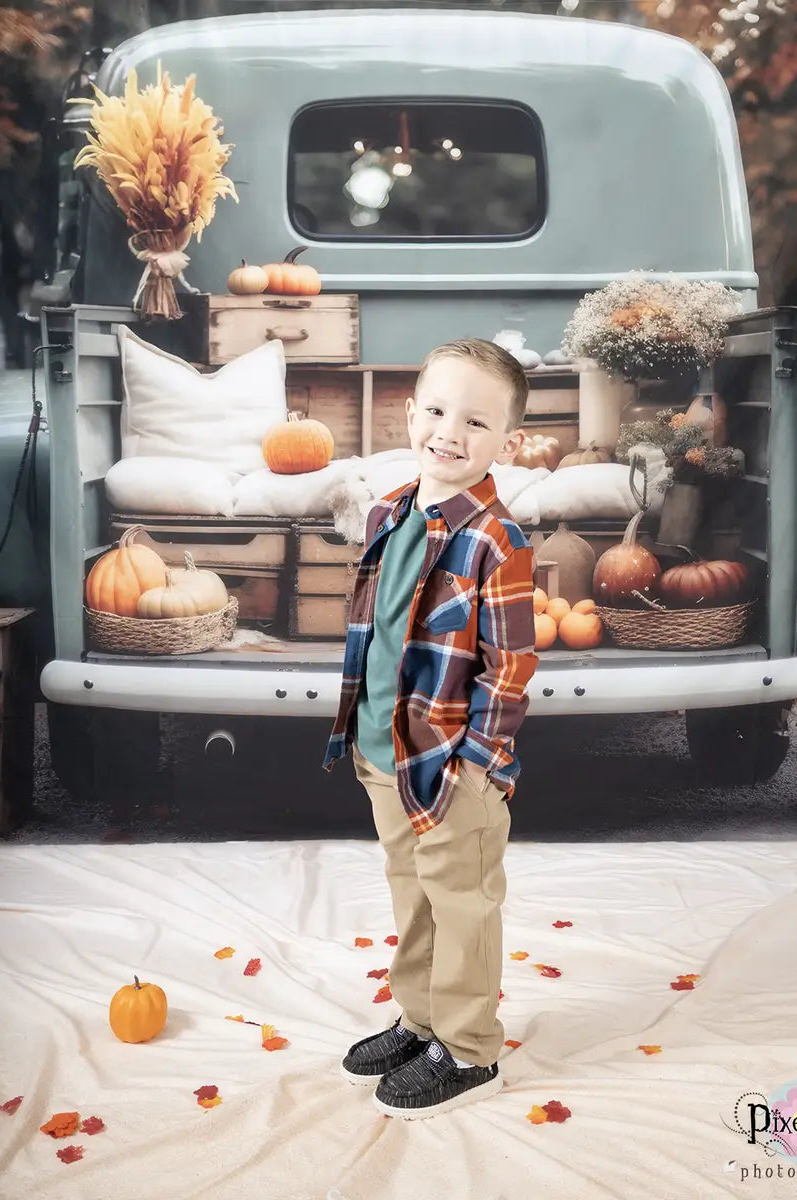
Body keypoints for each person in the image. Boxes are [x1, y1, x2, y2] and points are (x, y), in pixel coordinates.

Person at [322, 338, 538, 1119]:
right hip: (389, 753)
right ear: (409, 414)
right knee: (412, 894)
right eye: (438, 411)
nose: (451, 431)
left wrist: (478, 763)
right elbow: (374, 633)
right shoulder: (388, 513)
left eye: (476, 422)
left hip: (453, 766)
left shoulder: (496, 541)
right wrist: (360, 731)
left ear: (507, 445)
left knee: (463, 902)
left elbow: (510, 665)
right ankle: (422, 1023)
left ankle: (471, 1050)